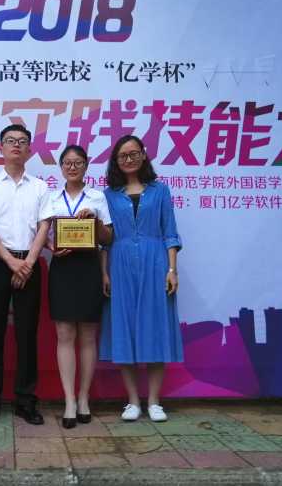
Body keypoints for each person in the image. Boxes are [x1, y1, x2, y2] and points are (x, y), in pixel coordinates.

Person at [99, 135, 183, 423]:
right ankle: (133, 401)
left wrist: (172, 270)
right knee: (124, 328)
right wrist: (104, 273)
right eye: (123, 155)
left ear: (144, 155)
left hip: (155, 262)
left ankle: (155, 401)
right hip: (120, 264)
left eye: (134, 153)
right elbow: (105, 241)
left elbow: (170, 232)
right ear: (116, 161)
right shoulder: (108, 195)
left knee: (156, 328)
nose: (129, 159)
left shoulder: (160, 191)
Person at [0, 124, 53, 425]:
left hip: (30, 263)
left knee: (27, 335)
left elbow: (44, 225)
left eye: (22, 141)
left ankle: (25, 400)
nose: (16, 145)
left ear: (30, 150)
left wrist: (28, 263)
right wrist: (10, 261)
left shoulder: (40, 187)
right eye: (10, 141)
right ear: (1, 147)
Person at [48, 145, 113, 429]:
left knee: (87, 336)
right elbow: (42, 233)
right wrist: (50, 246)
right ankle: (69, 400)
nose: (72, 167)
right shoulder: (51, 198)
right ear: (61, 167)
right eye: (67, 163)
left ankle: (84, 397)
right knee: (64, 334)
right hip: (62, 268)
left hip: (89, 268)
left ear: (86, 165)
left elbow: (108, 239)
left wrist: (95, 222)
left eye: (78, 163)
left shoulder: (98, 197)